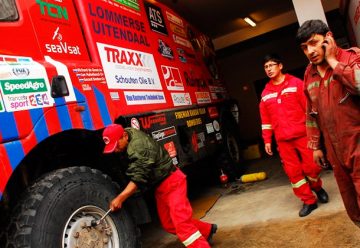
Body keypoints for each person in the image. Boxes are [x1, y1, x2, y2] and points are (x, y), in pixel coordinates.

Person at [102, 124, 217, 247]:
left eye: (116, 145)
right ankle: (207, 231)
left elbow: (138, 178)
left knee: (182, 225)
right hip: (160, 186)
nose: (115, 150)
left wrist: (120, 198)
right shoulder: (127, 134)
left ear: (124, 136)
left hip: (172, 182)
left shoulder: (140, 147)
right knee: (169, 224)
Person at [296, 19, 360, 226]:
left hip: (357, 143)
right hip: (335, 150)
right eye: (305, 47)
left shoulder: (352, 57)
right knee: (352, 205)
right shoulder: (309, 73)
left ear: (328, 37)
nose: (310, 51)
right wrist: (316, 146)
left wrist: (334, 62)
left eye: (314, 43)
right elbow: (311, 113)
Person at [259, 53, 329, 217]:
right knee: (293, 173)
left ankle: (317, 187)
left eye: (271, 65)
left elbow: (308, 110)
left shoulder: (296, 84)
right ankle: (308, 201)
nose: (269, 69)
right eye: (266, 67)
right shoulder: (265, 93)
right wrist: (267, 140)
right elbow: (265, 120)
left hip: (302, 135)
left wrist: (315, 133)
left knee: (312, 167)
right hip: (282, 140)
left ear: (280, 66)